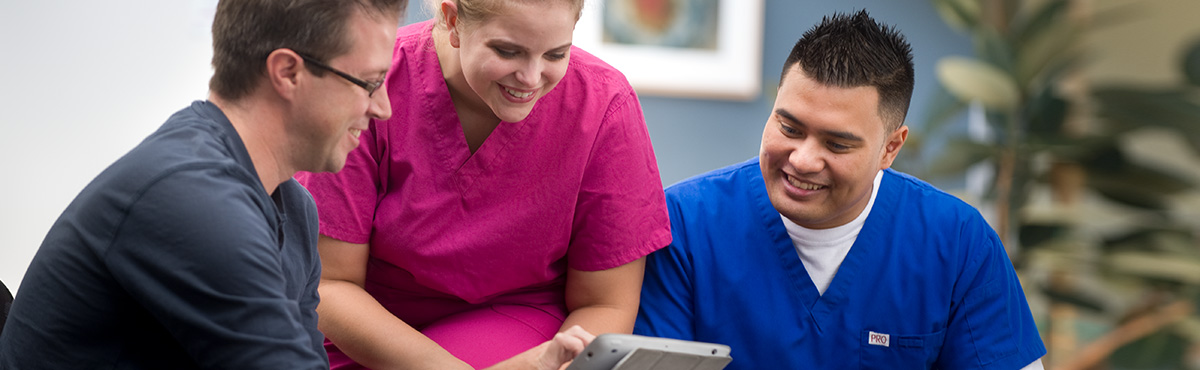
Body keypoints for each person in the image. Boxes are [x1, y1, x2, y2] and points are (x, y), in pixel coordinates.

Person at [0, 0, 592, 369]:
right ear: (288, 73)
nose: (384, 108)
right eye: (367, 82)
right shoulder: (191, 202)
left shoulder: (290, 207)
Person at [633, 10, 1047, 369]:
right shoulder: (686, 224)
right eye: (789, 128)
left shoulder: (958, 243)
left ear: (891, 147)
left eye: (837, 144)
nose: (802, 159)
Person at [293, 0, 671, 368]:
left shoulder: (603, 105)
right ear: (453, 19)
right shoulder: (374, 83)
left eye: (556, 54)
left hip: (520, 324)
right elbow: (330, 283)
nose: (531, 77)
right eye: (508, 51)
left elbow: (605, 304)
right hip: (366, 332)